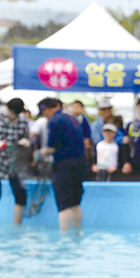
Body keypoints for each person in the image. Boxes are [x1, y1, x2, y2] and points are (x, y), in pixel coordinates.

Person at [0, 97, 31, 225]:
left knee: (20, 194)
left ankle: (17, 226)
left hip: (14, 163)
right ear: (8, 109)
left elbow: (25, 137)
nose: (15, 116)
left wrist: (24, 142)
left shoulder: (23, 121)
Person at [38, 98, 86, 230]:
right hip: (80, 164)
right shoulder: (72, 118)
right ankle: (77, 232)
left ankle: (64, 238)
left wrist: (39, 154)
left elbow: (51, 148)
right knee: (75, 203)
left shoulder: (55, 121)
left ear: (47, 109)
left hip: (64, 165)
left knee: (64, 203)